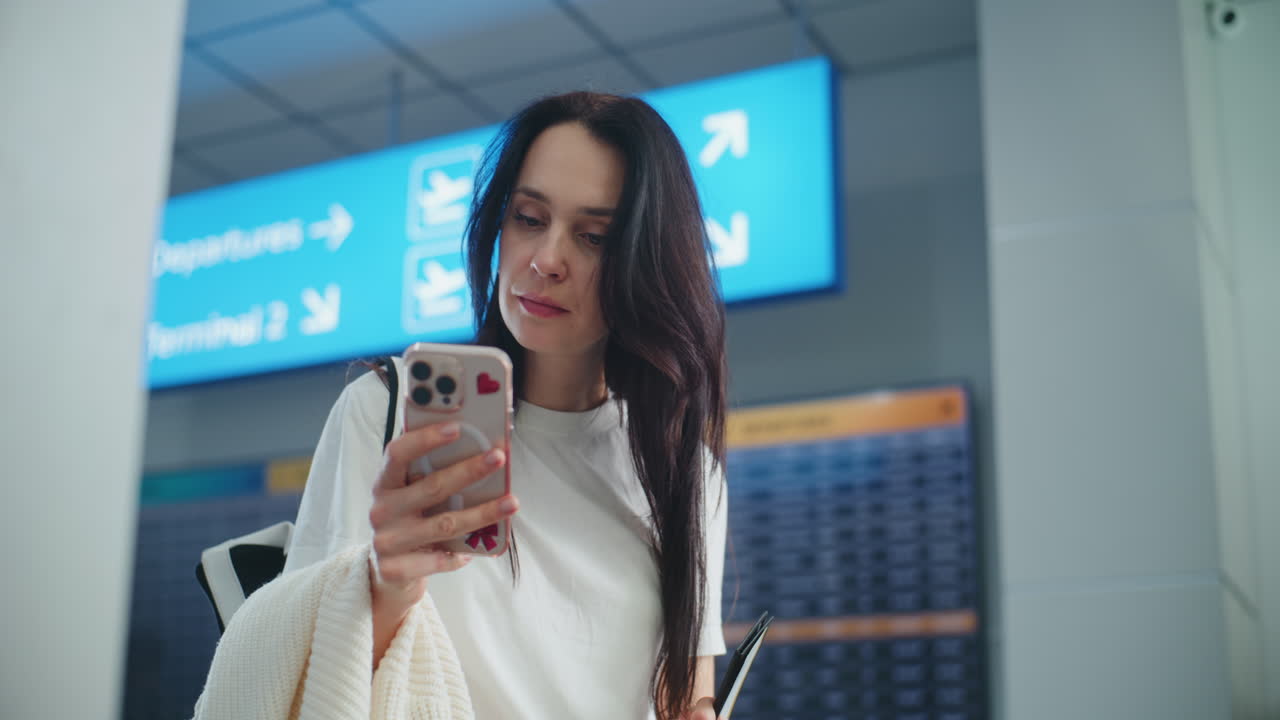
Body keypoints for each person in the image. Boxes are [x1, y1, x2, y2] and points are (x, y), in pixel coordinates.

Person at [283, 91, 730, 720]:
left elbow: (687, 696)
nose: (547, 260)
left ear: (648, 261)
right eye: (528, 217)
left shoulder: (685, 470)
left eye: (595, 236)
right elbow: (302, 681)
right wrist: (389, 583)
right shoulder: (385, 417)